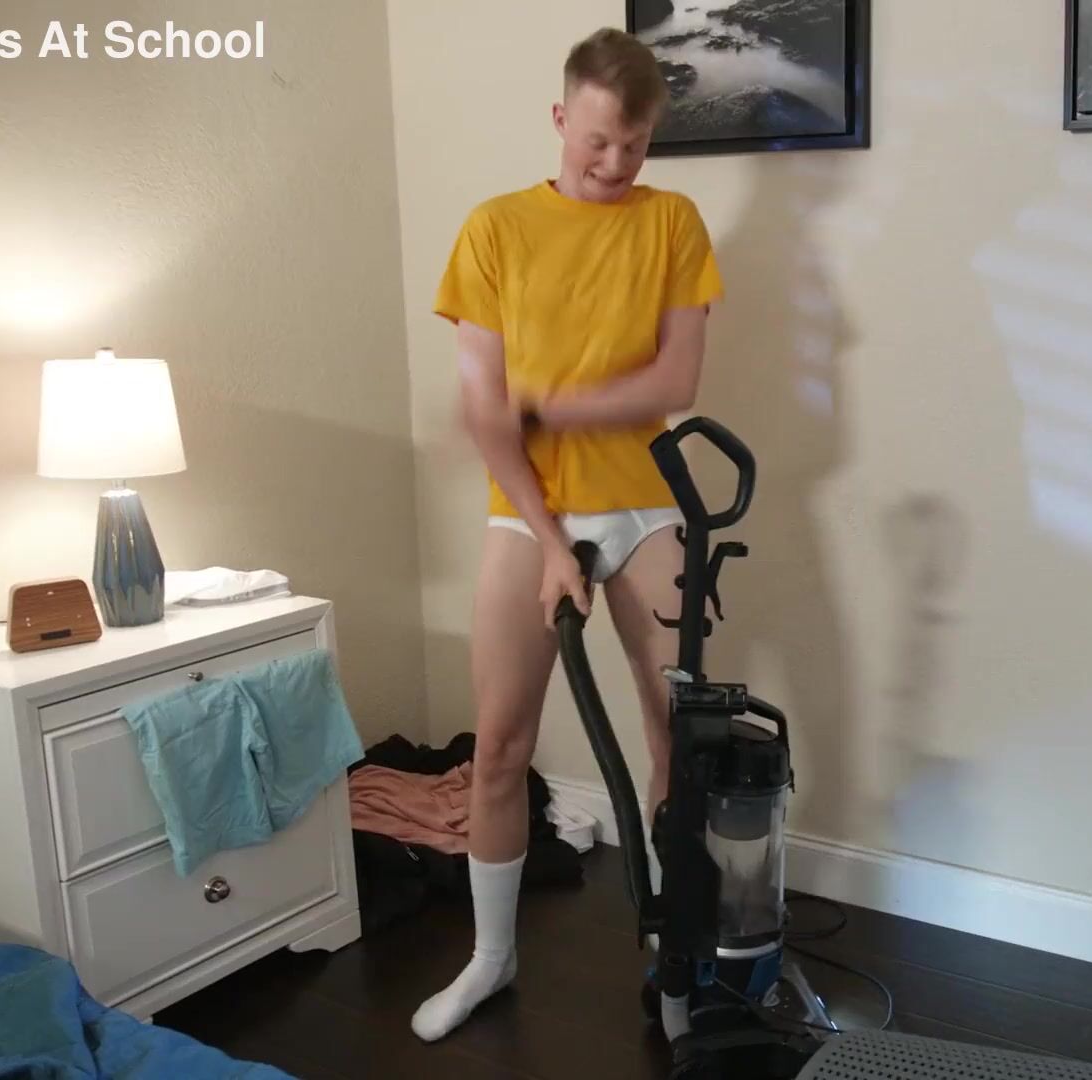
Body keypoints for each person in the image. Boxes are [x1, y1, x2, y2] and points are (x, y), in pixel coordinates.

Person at [411, 27, 723, 1043]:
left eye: (635, 144)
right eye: (596, 140)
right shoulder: (495, 229)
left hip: (647, 505)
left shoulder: (672, 222)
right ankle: (491, 959)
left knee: (678, 733)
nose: (615, 162)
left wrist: (556, 402)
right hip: (528, 511)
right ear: (560, 118)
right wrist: (550, 542)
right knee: (500, 744)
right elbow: (485, 411)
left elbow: (677, 379)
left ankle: (678, 965)